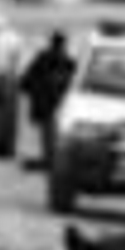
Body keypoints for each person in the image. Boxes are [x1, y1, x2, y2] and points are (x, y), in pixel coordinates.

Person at [19, 30, 76, 169]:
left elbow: (26, 79)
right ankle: (50, 158)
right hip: (58, 102)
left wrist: (30, 90)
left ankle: (47, 158)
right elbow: (71, 81)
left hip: (43, 102)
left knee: (46, 131)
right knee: (52, 130)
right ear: (63, 44)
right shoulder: (68, 62)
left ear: (52, 42)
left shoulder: (43, 57)